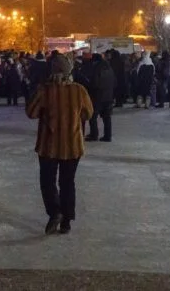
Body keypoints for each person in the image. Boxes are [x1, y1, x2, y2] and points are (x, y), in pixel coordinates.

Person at [26, 76, 94, 235]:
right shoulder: (79, 90)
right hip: (72, 144)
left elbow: (31, 112)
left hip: (48, 144)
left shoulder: (45, 90)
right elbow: (88, 113)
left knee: (47, 181)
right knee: (68, 182)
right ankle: (66, 222)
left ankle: (55, 212)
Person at [86, 53, 115, 142]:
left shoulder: (96, 69)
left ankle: (94, 135)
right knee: (107, 117)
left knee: (93, 116)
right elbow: (114, 81)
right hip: (108, 96)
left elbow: (94, 83)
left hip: (98, 96)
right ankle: (107, 136)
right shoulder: (109, 68)